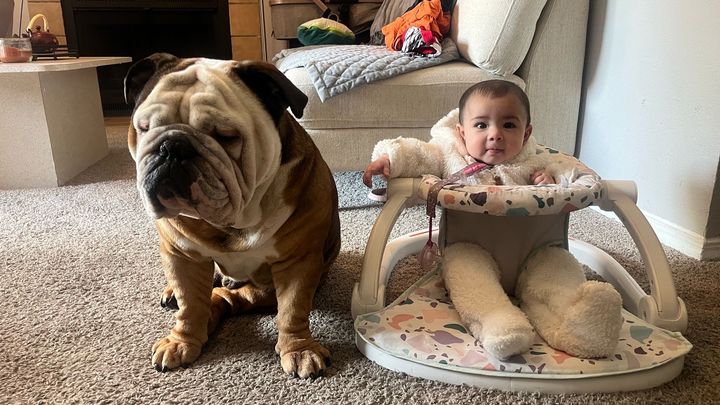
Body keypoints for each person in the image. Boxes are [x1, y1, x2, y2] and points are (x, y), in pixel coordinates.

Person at [362, 80, 623, 360]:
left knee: (557, 270)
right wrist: (390, 158)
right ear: (462, 133)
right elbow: (418, 153)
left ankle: (578, 322)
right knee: (466, 273)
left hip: (537, 251)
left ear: (526, 133)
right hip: (472, 249)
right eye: (481, 125)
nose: (495, 134)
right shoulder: (451, 156)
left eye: (509, 125)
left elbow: (571, 173)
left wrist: (553, 180)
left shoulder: (536, 161)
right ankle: (496, 322)